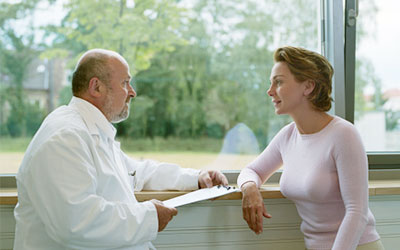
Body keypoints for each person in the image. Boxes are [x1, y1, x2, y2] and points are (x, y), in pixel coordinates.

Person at [13, 48, 228, 250]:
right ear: (96, 87)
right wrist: (150, 215)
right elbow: (75, 223)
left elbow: (137, 172)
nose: (132, 92)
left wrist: (197, 178)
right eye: (125, 83)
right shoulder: (64, 138)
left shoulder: (91, 131)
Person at [237, 46, 384, 250]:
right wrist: (250, 188)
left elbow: (357, 212)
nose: (269, 91)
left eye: (278, 82)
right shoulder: (288, 136)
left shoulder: (344, 134)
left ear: (308, 86)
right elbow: (251, 171)